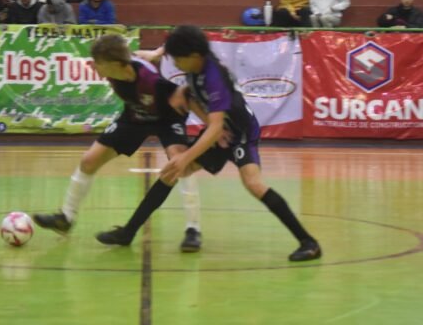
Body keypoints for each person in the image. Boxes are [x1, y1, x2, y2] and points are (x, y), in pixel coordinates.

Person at [95, 25, 322, 262]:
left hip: (240, 132)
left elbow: (214, 129)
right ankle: (127, 232)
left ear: (193, 57)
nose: (177, 65)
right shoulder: (197, 59)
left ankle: (309, 242)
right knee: (171, 172)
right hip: (223, 129)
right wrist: (163, 64)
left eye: (178, 60)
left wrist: (186, 156)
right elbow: (180, 39)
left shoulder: (213, 78)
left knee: (252, 184)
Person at [33, 33, 203, 252]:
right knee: (89, 160)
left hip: (167, 119)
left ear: (114, 64)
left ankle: (193, 229)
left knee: (181, 164)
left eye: (98, 63)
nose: (94, 67)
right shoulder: (122, 64)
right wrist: (156, 52)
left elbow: (186, 93)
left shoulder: (152, 82)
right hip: (135, 115)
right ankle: (66, 217)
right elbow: (139, 55)